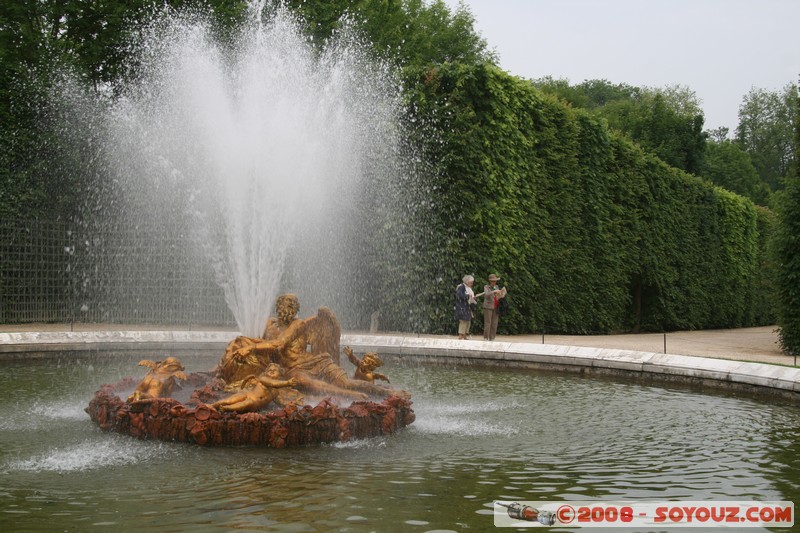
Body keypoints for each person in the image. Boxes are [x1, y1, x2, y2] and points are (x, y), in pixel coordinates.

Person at [482, 274, 507, 341]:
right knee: (488, 322)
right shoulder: (486, 287)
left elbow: (498, 297)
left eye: (495, 281)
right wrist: (493, 291)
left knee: (494, 322)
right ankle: (486, 337)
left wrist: (502, 294)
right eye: (493, 281)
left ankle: (492, 337)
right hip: (488, 306)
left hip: (496, 306)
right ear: (490, 281)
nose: (494, 282)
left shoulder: (496, 286)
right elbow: (486, 295)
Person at [455, 275, 477, 339]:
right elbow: (459, 295)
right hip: (462, 307)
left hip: (467, 307)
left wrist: (474, 298)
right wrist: (468, 296)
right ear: (467, 282)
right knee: (463, 321)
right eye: (471, 282)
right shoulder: (461, 287)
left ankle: (465, 334)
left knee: (468, 321)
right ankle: (461, 334)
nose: (472, 284)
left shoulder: (468, 288)